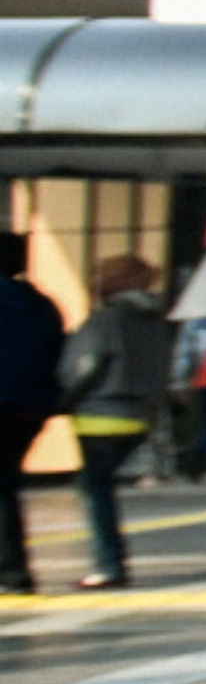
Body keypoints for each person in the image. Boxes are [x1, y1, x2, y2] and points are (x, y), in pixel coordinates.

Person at [56, 254, 175, 591]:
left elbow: (88, 363)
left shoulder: (106, 320)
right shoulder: (155, 321)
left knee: (95, 491)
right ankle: (111, 563)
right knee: (99, 487)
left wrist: (62, 400)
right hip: (139, 415)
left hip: (100, 414)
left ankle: (108, 565)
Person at [0, 230, 67, 596]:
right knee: (6, 484)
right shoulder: (43, 305)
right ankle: (14, 569)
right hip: (29, 408)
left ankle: (12, 570)